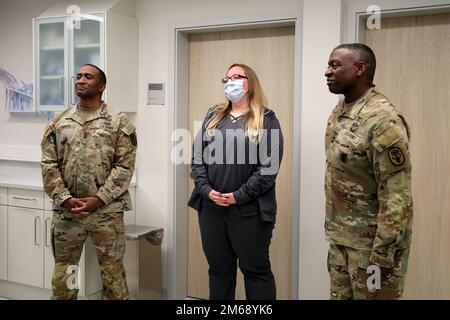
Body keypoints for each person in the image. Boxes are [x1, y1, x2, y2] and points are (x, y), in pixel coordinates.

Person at [324, 43, 413, 300]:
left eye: (335, 65)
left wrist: (382, 253)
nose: (327, 72)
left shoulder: (383, 119)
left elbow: (397, 195)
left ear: (360, 69)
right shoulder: (340, 111)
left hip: (372, 249)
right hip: (341, 241)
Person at [41, 64, 137, 300]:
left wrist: (99, 199)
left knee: (112, 274)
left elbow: (124, 166)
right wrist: (64, 198)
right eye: (78, 76)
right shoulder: (60, 120)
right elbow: (48, 163)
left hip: (106, 213)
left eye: (88, 76)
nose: (80, 80)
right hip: (68, 214)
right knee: (66, 275)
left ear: (102, 86)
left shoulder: (117, 122)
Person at [188, 63, 283, 300]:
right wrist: (206, 190)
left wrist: (238, 196)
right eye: (227, 78)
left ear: (250, 83)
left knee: (255, 271)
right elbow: (197, 160)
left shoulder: (266, 119)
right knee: (219, 270)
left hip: (249, 211)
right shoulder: (213, 116)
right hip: (211, 209)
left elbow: (268, 169)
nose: (230, 81)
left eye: (237, 77)